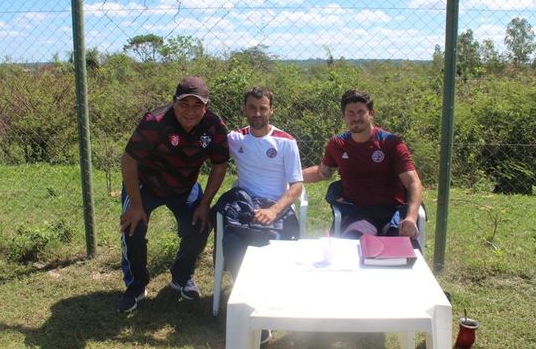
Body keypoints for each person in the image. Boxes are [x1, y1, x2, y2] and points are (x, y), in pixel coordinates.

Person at [117, 76, 229, 313]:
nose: (190, 112)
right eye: (184, 104)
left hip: (184, 187)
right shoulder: (155, 121)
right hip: (145, 185)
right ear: (173, 102)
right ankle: (136, 285)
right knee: (133, 227)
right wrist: (135, 205)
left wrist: (204, 203)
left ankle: (182, 277)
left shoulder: (214, 127)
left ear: (206, 107)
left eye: (197, 105)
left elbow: (219, 166)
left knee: (201, 223)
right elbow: (128, 161)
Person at [212, 87, 303, 344]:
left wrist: (274, 210)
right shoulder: (235, 138)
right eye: (252, 107)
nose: (257, 113)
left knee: (268, 249)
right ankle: (247, 302)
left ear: (271, 110)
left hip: (276, 206)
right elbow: (206, 140)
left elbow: (296, 186)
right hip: (244, 204)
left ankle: (264, 311)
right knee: (232, 244)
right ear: (244, 109)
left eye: (263, 108)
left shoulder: (286, 141)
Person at [302, 89, 422, 245]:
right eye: (350, 113)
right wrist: (290, 175)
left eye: (361, 112)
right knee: (353, 248)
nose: (356, 117)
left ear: (371, 113)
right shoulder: (337, 144)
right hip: (357, 212)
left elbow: (413, 182)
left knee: (398, 251)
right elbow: (322, 173)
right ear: (344, 116)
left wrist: (411, 217)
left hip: (392, 211)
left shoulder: (391, 143)